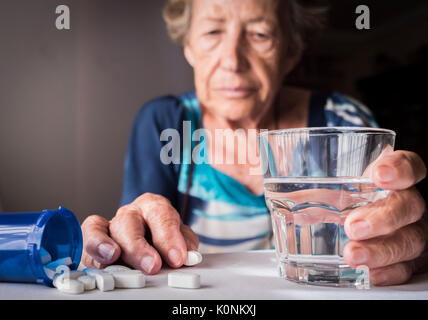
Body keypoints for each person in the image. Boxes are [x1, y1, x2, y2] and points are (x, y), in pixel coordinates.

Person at [81, 0, 427, 286]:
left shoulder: (342, 122)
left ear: (290, 52)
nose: (233, 61)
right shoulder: (164, 122)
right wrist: (126, 236)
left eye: (260, 34)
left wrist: (411, 240)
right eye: (213, 31)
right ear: (188, 46)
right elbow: (139, 244)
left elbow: (392, 225)